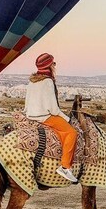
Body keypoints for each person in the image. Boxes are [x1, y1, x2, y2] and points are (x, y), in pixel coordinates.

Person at [24, 53, 79, 183]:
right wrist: (67, 119)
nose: (55, 66)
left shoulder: (32, 81)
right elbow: (54, 109)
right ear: (49, 65)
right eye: (53, 63)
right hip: (45, 117)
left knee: (61, 131)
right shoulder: (48, 81)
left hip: (31, 116)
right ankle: (65, 167)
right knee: (71, 132)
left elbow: (26, 103)